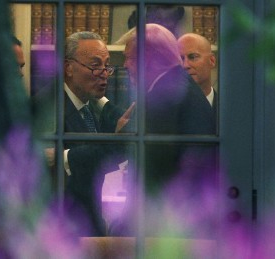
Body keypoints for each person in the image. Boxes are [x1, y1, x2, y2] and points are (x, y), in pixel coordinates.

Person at [110, 24, 217, 237]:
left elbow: (153, 175)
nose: (125, 65)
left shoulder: (164, 96)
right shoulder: (177, 86)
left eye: (129, 58)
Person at [56, 31, 133, 236]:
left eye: (106, 66)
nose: (104, 73)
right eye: (95, 65)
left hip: (91, 224)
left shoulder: (91, 105)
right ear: (68, 68)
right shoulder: (49, 110)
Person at [178, 33, 217, 115]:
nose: (185, 65)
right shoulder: (164, 113)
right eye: (180, 59)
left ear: (212, 61)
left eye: (193, 57)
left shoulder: (229, 108)